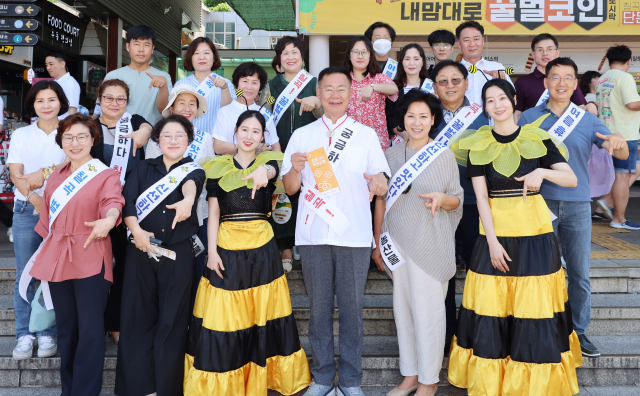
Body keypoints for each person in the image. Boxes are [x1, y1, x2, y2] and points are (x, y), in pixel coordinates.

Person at [448, 79, 582, 395]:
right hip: (495, 236)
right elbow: (481, 198)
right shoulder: (477, 143)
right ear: (485, 107)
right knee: (492, 307)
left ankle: (531, 383)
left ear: (512, 100)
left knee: (533, 308)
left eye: (502, 98)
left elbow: (571, 179)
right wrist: (492, 242)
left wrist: (543, 173)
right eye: (490, 100)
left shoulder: (538, 138)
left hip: (536, 234)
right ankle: (493, 380)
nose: (497, 104)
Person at [184, 110, 311, 395]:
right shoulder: (216, 166)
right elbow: (214, 211)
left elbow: (276, 172)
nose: (249, 135)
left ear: (263, 136)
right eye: (244, 129)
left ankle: (265, 379)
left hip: (263, 246)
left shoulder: (270, 161)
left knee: (264, 312)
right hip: (227, 245)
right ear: (236, 132)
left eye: (256, 131)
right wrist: (212, 252)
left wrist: (265, 171)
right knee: (225, 315)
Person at [282, 66, 391, 396]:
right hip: (314, 236)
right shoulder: (303, 136)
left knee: (352, 310)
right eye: (328, 88)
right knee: (318, 311)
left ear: (351, 93)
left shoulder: (365, 135)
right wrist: (296, 170)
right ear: (320, 93)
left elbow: (382, 182)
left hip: (354, 235)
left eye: (341, 88)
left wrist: (377, 182)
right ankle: (321, 378)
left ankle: (351, 381)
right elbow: (288, 189)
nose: (334, 95)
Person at [518, 58, 628, 358]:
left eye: (568, 77)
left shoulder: (588, 120)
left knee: (579, 272)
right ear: (546, 82)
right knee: (539, 270)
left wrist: (619, 141)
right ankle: (542, 326)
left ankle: (579, 331)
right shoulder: (529, 117)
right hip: (540, 204)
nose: (561, 83)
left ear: (575, 83)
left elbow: (619, 149)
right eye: (555, 77)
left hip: (578, 204)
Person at [372, 90, 463, 396]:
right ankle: (410, 375)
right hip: (397, 245)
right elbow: (381, 201)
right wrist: (377, 241)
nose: (417, 121)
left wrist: (442, 199)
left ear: (433, 119)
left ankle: (428, 380)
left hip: (430, 245)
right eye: (411, 115)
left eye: (424, 116)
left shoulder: (443, 154)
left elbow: (458, 199)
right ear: (402, 119)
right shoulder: (391, 156)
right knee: (404, 312)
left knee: (429, 315)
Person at [28, 114, 124, 395]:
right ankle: (68, 390)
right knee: (67, 330)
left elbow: (113, 201)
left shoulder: (106, 174)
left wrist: (109, 218)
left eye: (82, 136)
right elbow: (46, 222)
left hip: (90, 255)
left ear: (93, 140)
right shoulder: (55, 176)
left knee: (92, 332)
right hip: (58, 259)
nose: (75, 142)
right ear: (61, 141)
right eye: (68, 137)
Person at [115, 115, 206, 395]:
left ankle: (166, 389)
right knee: (137, 318)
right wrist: (137, 233)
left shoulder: (193, 170)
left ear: (189, 141)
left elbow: (192, 185)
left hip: (178, 254)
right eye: (167, 135)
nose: (173, 140)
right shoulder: (142, 168)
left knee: (173, 322)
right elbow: (127, 203)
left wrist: (188, 202)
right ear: (158, 139)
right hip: (141, 250)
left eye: (180, 135)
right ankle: (139, 388)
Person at [431, 59, 490, 353]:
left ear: (467, 84)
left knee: (477, 270)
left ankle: (474, 333)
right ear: (434, 87)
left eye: (456, 80)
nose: (450, 86)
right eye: (443, 81)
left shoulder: (482, 116)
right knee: (443, 271)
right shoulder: (426, 115)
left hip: (473, 203)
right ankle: (444, 335)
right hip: (437, 206)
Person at [7, 80, 68, 360]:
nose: (46, 105)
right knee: (25, 273)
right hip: (26, 211)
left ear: (61, 102)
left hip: (64, 211)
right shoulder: (22, 134)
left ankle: (46, 333)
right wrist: (37, 202)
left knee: (52, 273)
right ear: (33, 104)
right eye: (40, 100)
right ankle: (24, 334)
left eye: (51, 99)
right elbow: (16, 174)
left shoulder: (70, 131)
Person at [91, 78, 153, 344]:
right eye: (109, 98)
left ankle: (115, 321)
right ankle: (95, 323)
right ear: (99, 99)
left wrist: (145, 130)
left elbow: (149, 127)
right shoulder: (88, 126)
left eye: (120, 99)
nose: (114, 103)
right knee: (93, 270)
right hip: (94, 206)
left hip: (127, 206)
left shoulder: (135, 121)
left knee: (125, 267)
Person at [146, 84, 214, 315]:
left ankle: (190, 324)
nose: (187, 108)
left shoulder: (205, 139)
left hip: (198, 216)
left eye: (192, 104)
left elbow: (207, 177)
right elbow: (149, 178)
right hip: (161, 219)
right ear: (172, 107)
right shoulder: (157, 139)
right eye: (181, 103)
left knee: (194, 272)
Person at [260, 35, 322, 272]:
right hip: (279, 149)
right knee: (282, 197)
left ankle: (308, 247)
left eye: (295, 52)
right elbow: (265, 114)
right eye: (285, 53)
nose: (290, 57)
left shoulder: (314, 82)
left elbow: (327, 115)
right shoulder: (272, 86)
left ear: (302, 57)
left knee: (310, 197)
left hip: (310, 151)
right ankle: (285, 247)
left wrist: (316, 102)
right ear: (279, 58)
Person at [596, 45, 640, 230]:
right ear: (628, 62)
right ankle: (619, 219)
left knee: (631, 170)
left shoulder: (602, 79)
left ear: (608, 60)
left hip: (607, 134)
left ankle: (607, 201)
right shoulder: (625, 77)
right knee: (622, 176)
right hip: (624, 135)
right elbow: (631, 104)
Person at [98, 25, 172, 126]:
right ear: (128, 47)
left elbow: (164, 111)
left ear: (152, 49)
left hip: (151, 137)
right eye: (136, 44)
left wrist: (163, 86)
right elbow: (104, 109)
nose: (141, 49)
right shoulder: (113, 76)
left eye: (146, 45)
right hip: (118, 136)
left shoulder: (164, 77)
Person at [513, 34, 593, 121]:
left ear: (557, 53)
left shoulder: (567, 80)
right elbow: (517, 113)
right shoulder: (522, 82)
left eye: (549, 49)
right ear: (533, 54)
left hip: (563, 131)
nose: (545, 53)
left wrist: (592, 104)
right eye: (540, 50)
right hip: (534, 133)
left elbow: (581, 107)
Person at [342, 36, 399, 151]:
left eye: (364, 52)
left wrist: (372, 87)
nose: (360, 56)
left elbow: (394, 89)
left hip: (376, 143)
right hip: (348, 142)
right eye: (356, 52)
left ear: (370, 56)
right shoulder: (342, 79)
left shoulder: (379, 78)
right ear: (349, 55)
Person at [213, 62, 281, 154]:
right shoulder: (225, 111)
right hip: (230, 165)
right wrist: (252, 148)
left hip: (260, 166)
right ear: (237, 84)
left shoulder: (265, 113)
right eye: (245, 81)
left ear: (260, 86)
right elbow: (218, 147)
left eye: (254, 82)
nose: (249, 87)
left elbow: (275, 146)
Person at [175, 36, 236, 132]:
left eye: (206, 53)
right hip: (186, 141)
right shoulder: (181, 84)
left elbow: (229, 114)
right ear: (190, 57)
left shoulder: (226, 84)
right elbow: (174, 115)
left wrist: (224, 89)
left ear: (214, 57)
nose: (201, 57)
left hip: (215, 142)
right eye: (196, 53)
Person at [455, 21, 514, 106]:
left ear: (483, 41)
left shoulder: (496, 67)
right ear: (459, 44)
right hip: (461, 118)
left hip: (492, 118)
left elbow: (511, 97)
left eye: (476, 39)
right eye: (466, 40)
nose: (472, 44)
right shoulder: (454, 71)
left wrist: (502, 83)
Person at [387, 44, 433, 143]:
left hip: (427, 140)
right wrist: (404, 133)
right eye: (407, 59)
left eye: (416, 59)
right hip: (400, 140)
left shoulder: (431, 86)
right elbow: (388, 115)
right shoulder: (393, 87)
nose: (411, 63)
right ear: (402, 62)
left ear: (422, 62)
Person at [45, 52, 81, 119]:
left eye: (51, 64)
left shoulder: (70, 83)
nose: (48, 68)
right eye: (46, 65)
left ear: (62, 64)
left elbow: (72, 109)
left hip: (62, 126)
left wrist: (66, 128)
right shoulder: (54, 82)